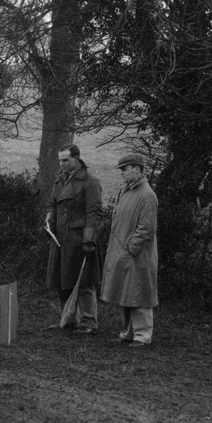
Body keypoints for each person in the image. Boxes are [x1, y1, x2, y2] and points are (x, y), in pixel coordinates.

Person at [101, 153, 159, 348]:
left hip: (137, 255)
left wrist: (132, 248)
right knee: (127, 294)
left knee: (140, 294)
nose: (122, 173)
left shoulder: (147, 195)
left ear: (137, 169)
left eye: (124, 169)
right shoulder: (127, 191)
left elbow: (147, 228)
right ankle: (129, 332)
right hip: (125, 253)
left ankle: (143, 336)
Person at [44, 144, 103, 334]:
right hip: (60, 238)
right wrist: (49, 215)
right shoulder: (60, 179)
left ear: (77, 159)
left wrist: (89, 240)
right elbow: (52, 203)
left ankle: (88, 322)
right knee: (62, 279)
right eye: (60, 160)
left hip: (79, 239)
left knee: (84, 281)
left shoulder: (90, 181)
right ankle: (68, 319)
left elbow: (93, 213)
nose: (61, 164)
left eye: (65, 160)